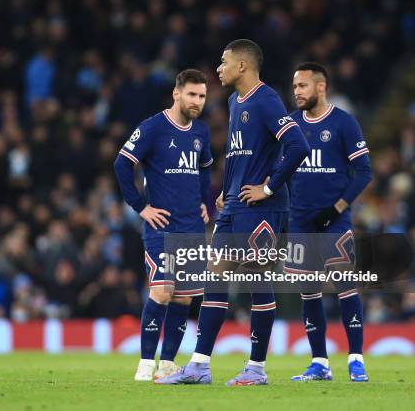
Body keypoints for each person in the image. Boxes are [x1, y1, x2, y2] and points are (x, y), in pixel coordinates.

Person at [157, 39, 310, 386]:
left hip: (263, 206)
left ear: (243, 66)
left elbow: (298, 144)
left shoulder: (266, 99)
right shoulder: (233, 100)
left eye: (224, 62)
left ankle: (256, 368)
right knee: (216, 275)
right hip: (235, 204)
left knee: (257, 280)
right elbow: (240, 152)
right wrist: (227, 190)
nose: (219, 68)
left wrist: (268, 187)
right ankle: (199, 365)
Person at [113, 69, 213, 381]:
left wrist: (202, 202)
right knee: (162, 291)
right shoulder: (153, 127)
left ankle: (168, 362)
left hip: (192, 226)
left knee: (184, 297)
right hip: (161, 226)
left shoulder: (201, 133)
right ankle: (145, 362)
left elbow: (205, 168)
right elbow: (121, 164)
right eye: (192, 94)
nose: (197, 101)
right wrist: (141, 207)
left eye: (202, 96)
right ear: (176, 93)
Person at [284, 62, 371, 382]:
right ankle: (319, 362)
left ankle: (356, 360)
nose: (297, 92)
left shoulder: (343, 123)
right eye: (294, 87)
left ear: (321, 87)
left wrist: (336, 208)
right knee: (309, 290)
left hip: (334, 221)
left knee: (346, 286)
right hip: (300, 221)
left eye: (302, 86)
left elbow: (364, 172)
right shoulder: (290, 125)